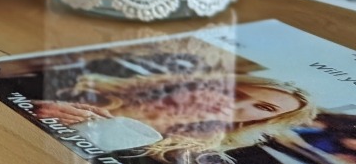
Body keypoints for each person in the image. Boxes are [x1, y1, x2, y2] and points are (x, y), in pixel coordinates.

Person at [31, 73, 318, 162]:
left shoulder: (197, 157)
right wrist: (32, 109)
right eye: (235, 91)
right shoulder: (86, 85)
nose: (233, 103)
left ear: (266, 121)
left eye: (263, 108)